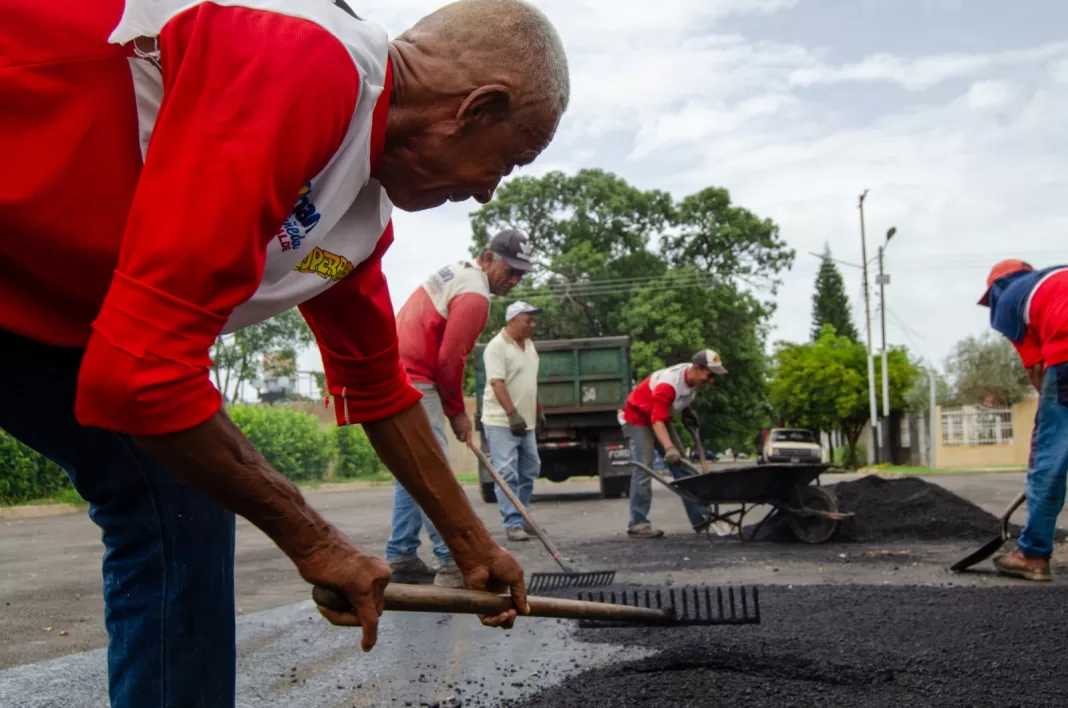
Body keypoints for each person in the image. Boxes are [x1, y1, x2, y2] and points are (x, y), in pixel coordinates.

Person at [0, 0, 568, 705]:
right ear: (476, 107)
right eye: (505, 162)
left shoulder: (353, 219)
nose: (485, 190)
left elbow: (378, 388)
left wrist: (471, 544)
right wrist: (317, 541)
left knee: (178, 501)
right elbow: (140, 375)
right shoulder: (305, 60)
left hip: (34, 301)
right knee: (174, 483)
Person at [388, 230, 534, 586]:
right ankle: (453, 561)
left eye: (520, 274)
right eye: (509, 270)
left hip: (399, 371)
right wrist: (457, 412)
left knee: (415, 469)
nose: (513, 280)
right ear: (487, 258)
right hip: (417, 378)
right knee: (434, 472)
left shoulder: (459, 273)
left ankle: (402, 555)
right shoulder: (475, 294)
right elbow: (450, 359)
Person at [978, 259, 1068, 581]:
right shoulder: (1056, 279)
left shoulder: (1011, 300)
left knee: (1049, 461)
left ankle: (1032, 554)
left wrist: (1048, 419)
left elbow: (1037, 368)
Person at [622, 350, 728, 538]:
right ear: (696, 368)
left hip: (659, 417)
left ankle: (702, 519)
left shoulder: (693, 380)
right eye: (710, 375)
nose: (711, 381)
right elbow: (656, 420)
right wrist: (669, 448)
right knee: (644, 469)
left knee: (684, 467)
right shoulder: (668, 386)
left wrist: (687, 410)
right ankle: (638, 524)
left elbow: (676, 400)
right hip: (639, 417)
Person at [481, 302, 546, 541]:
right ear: (513, 320)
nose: (532, 324)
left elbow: (531, 381)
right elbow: (496, 383)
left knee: (530, 469)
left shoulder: (529, 346)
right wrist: (511, 414)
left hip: (525, 421)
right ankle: (513, 523)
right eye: (528, 320)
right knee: (507, 472)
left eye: (533, 320)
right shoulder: (497, 347)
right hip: (501, 421)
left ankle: (522, 515)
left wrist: (538, 410)